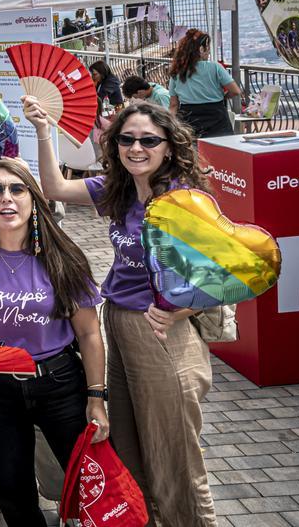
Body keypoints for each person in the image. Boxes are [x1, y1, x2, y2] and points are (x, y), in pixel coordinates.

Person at [23, 96, 217, 524]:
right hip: (119, 321)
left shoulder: (184, 199)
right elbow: (54, 189)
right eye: (127, 139)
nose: (136, 148)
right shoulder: (117, 189)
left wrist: (180, 312)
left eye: (149, 139)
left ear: (169, 144)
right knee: (127, 445)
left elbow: (224, 275)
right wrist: (42, 130)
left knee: (174, 452)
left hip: (162, 334)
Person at [0, 158, 107, 526]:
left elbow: (90, 333)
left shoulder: (63, 256)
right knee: (13, 496)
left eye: (17, 188)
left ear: (34, 199)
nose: (6, 198)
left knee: (88, 486)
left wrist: (97, 397)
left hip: (59, 383)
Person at [167, 29, 242, 139]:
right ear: (201, 49)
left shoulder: (177, 71)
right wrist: (224, 97)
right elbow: (235, 91)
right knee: (222, 150)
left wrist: (169, 126)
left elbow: (173, 104)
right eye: (207, 48)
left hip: (188, 117)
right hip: (216, 115)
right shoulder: (215, 67)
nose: (209, 52)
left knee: (194, 152)